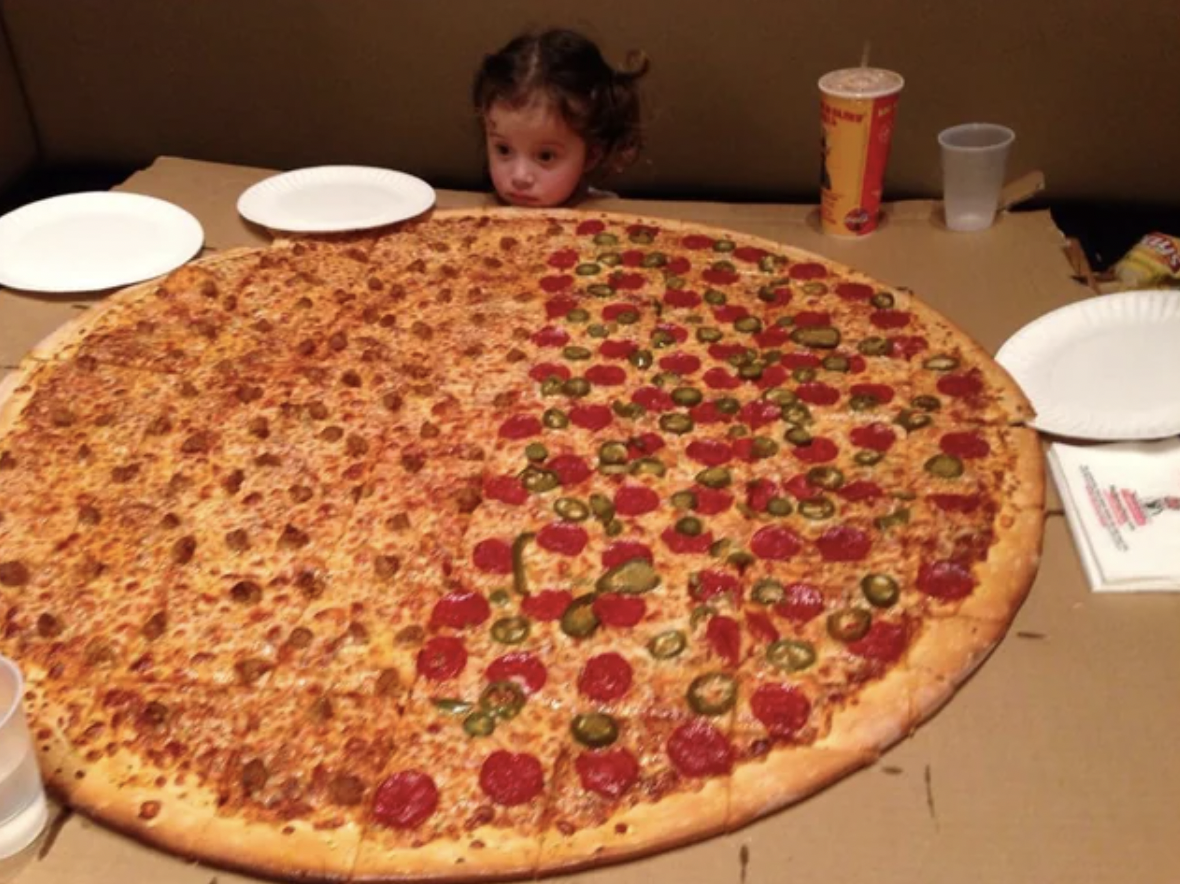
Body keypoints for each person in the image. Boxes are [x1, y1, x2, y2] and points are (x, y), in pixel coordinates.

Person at [472, 29, 649, 208]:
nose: (520, 177)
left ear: (591, 155)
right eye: (503, 150)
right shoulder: (476, 213)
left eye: (546, 156)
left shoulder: (607, 217)